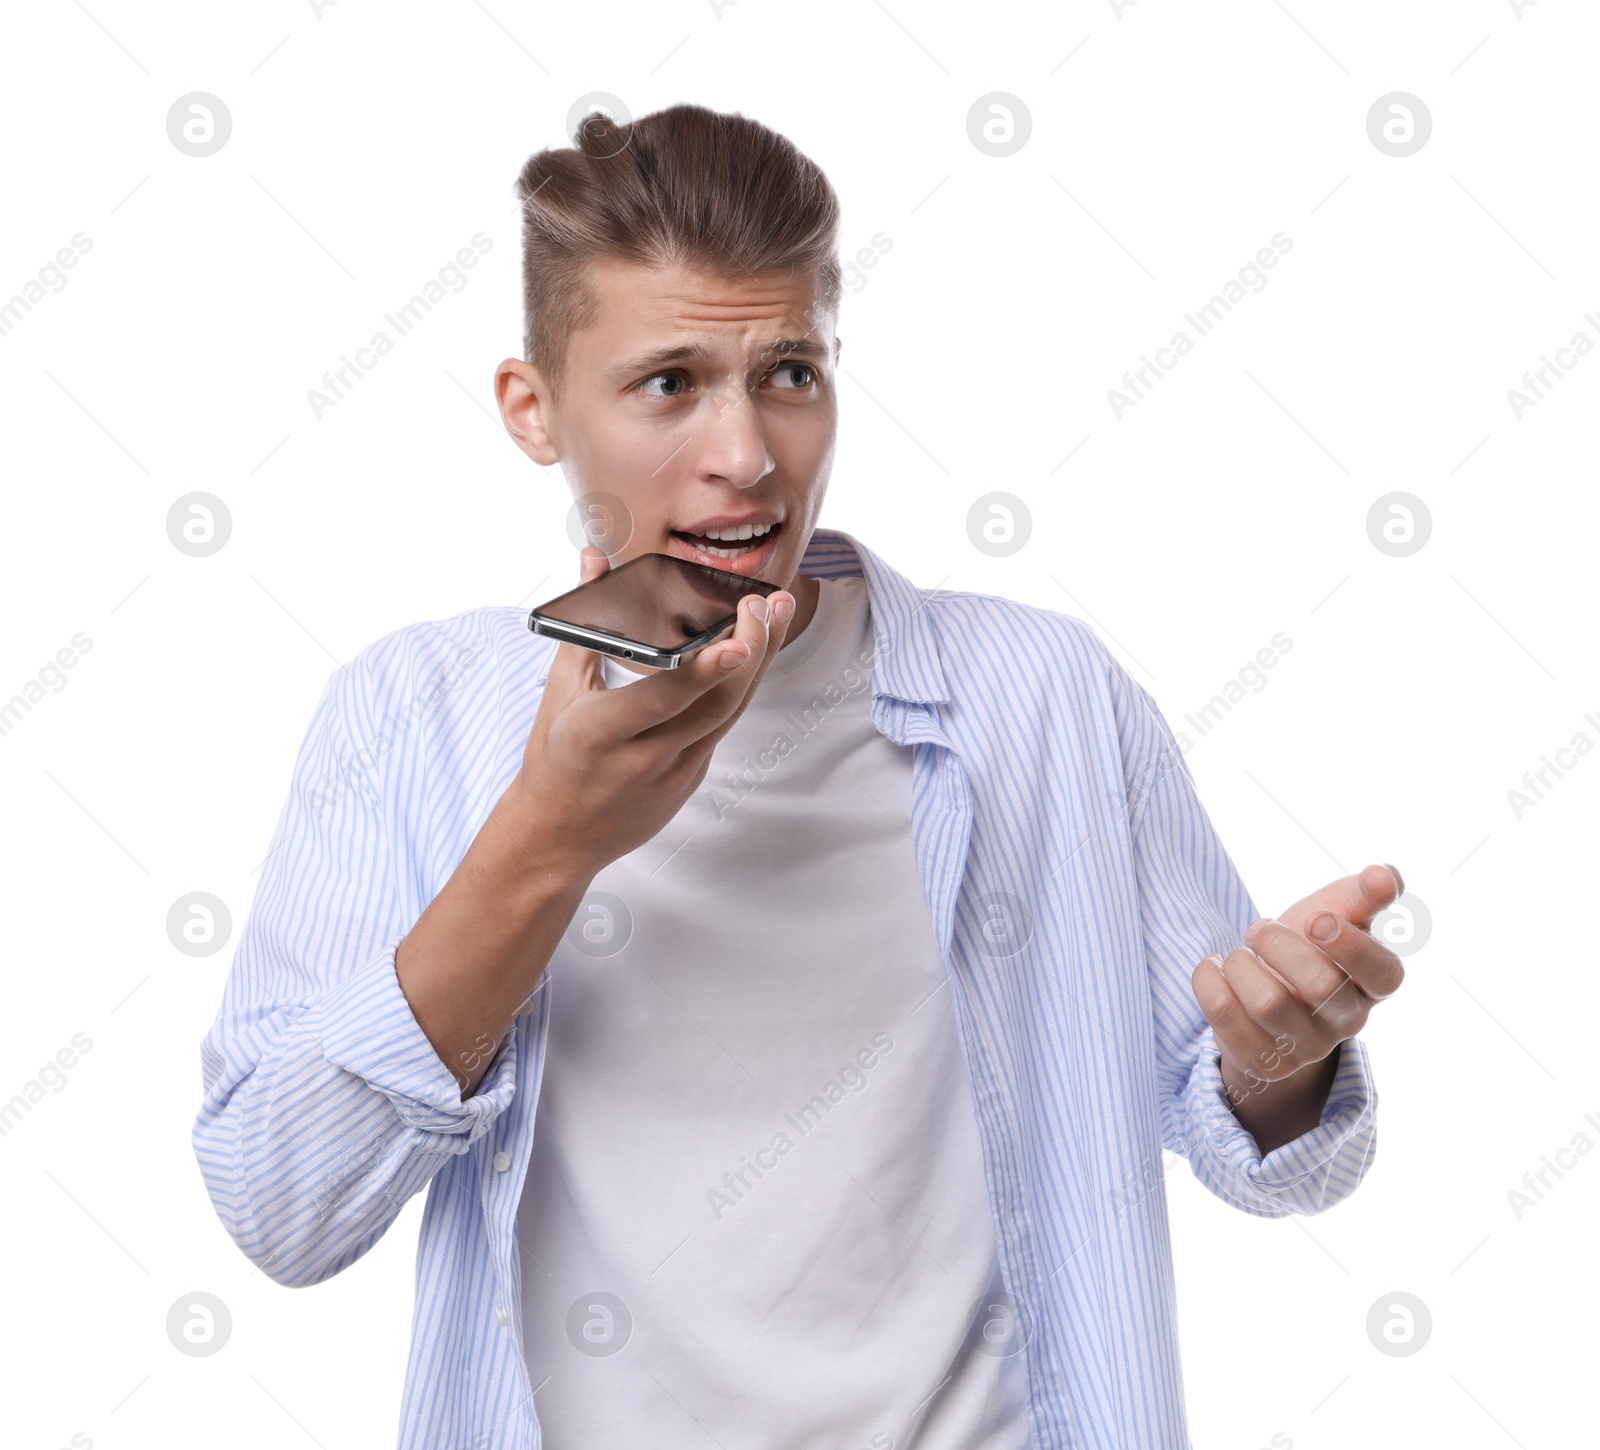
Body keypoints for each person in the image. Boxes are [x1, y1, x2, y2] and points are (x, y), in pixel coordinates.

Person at [192, 102, 1405, 1450]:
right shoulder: (409, 715)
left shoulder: (1043, 697)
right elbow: (280, 1205)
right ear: (534, 411)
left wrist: (1278, 1067)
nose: (748, 458)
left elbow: (1255, 1137)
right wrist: (545, 839)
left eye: (789, 374)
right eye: (669, 384)